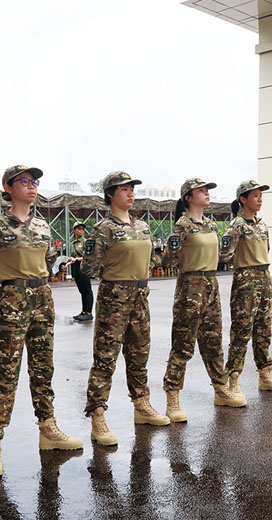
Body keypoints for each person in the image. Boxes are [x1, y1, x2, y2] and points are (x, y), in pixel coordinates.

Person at [0, 165, 82, 478]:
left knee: (43, 368)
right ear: (8, 187)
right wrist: (7, 279)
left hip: (42, 298)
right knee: (6, 372)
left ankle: (48, 428)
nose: (32, 186)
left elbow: (47, 261)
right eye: (25, 182)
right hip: (12, 301)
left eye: (35, 182)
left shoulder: (43, 225)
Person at [82, 171, 170, 447]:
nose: (130, 193)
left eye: (132, 188)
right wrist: (117, 276)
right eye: (124, 189)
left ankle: (141, 404)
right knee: (106, 357)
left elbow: (153, 260)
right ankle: (97, 415)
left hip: (140, 296)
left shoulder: (142, 226)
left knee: (139, 353)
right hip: (114, 297)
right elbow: (89, 267)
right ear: (110, 193)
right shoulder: (102, 229)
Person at [161, 178, 246, 422]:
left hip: (211, 284)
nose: (207, 193)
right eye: (201, 191)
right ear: (188, 197)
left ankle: (220, 389)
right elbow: (167, 260)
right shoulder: (182, 226)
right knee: (183, 344)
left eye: (207, 190)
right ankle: (173, 397)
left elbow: (221, 255)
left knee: (213, 341)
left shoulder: (210, 225)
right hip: (190, 286)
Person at [219, 180, 272, 393]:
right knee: (242, 331)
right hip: (246, 280)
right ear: (243, 199)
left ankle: (265, 374)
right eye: (255, 196)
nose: (259, 199)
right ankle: (233, 380)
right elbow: (223, 254)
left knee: (263, 329)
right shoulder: (236, 226)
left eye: (261, 196)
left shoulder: (261, 224)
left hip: (264, 277)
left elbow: (265, 250)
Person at [68, 221, 94, 322]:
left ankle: (89, 312)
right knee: (82, 290)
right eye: (79, 229)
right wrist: (67, 264)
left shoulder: (86, 242)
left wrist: (77, 259)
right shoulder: (72, 243)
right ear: (74, 230)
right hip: (76, 267)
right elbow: (73, 257)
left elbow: (88, 256)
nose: (81, 231)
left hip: (84, 267)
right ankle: (84, 311)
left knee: (87, 290)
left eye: (82, 229)